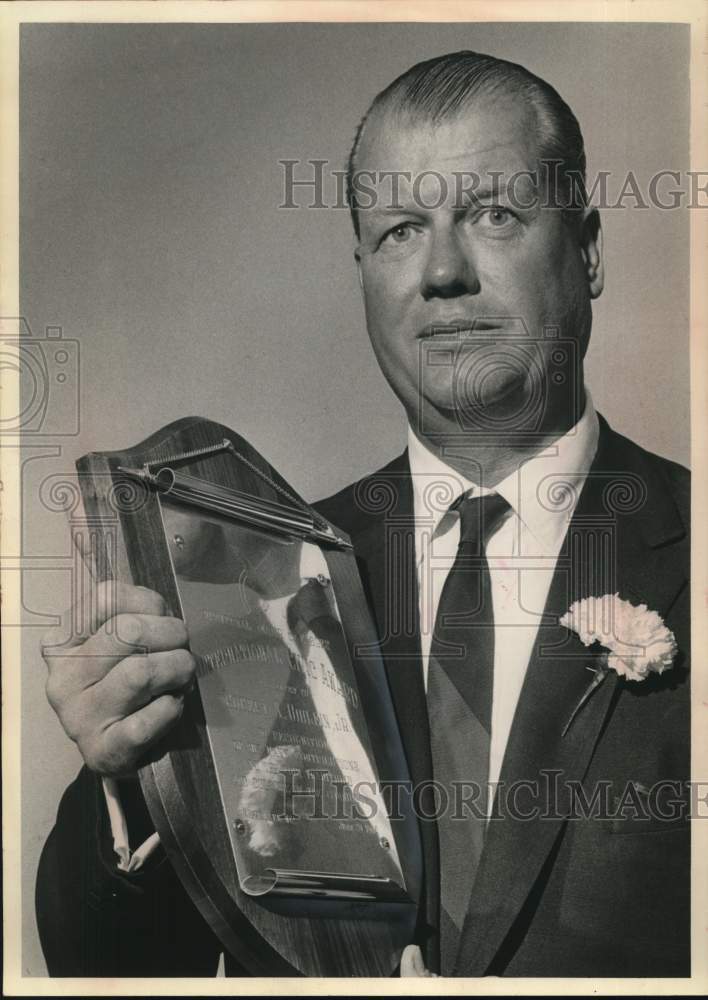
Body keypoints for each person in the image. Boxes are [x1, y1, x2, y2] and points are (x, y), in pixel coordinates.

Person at [36, 51, 690, 978]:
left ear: (585, 249)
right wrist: (129, 788)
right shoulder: (253, 578)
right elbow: (103, 973)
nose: (442, 271)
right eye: (399, 231)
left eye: (494, 214)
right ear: (362, 273)